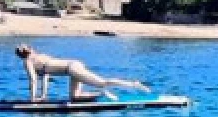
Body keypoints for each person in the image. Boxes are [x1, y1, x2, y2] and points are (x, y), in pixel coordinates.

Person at [15, 44, 149, 102]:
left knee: (102, 82)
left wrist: (32, 99)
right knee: (75, 97)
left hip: (72, 68)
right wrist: (43, 95)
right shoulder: (40, 57)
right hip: (73, 67)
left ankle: (133, 84)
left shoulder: (28, 62)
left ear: (21, 56)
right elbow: (45, 76)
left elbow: (33, 80)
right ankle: (101, 94)